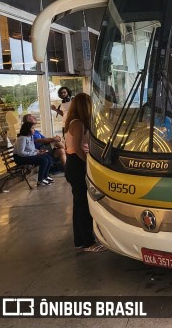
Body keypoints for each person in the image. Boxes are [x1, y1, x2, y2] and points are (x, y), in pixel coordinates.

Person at [64, 93, 106, 253]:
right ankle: (89, 242)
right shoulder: (78, 124)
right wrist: (89, 164)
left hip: (72, 164)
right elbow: (78, 149)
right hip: (77, 164)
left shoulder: (73, 122)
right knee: (83, 205)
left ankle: (80, 241)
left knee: (79, 204)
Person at [13, 121, 54, 186]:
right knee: (44, 160)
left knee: (48, 157)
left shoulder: (30, 137)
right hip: (20, 158)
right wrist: (35, 153)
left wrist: (38, 151)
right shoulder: (22, 138)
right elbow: (21, 153)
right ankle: (40, 181)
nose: (34, 130)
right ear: (27, 129)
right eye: (32, 128)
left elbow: (32, 148)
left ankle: (45, 177)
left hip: (27, 155)